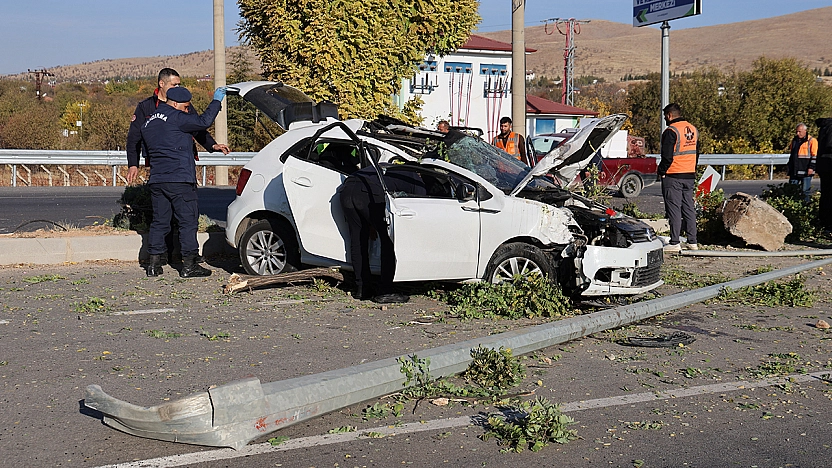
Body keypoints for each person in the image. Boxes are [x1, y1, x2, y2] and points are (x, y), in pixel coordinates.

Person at [126, 68, 230, 264]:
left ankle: (155, 262)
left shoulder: (153, 120)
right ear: (162, 85)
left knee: (160, 220)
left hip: (158, 177)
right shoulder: (149, 108)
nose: (178, 87)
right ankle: (189, 263)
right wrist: (216, 101)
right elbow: (202, 122)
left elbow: (197, 130)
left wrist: (212, 146)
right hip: (179, 175)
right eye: (174, 84)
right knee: (187, 220)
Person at [339, 164, 426, 303]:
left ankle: (362, 289)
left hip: (347, 190)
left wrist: (373, 223)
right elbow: (420, 206)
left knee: (358, 240)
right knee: (389, 240)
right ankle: (385, 290)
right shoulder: (415, 178)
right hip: (368, 191)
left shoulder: (390, 168)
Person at [658, 103, 699, 253]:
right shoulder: (693, 129)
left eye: (665, 117)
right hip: (689, 174)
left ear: (669, 115)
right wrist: (691, 169)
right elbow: (696, 153)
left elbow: (667, 156)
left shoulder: (671, 131)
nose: (665, 119)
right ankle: (692, 241)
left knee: (674, 209)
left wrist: (661, 171)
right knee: (688, 207)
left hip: (673, 175)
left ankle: (675, 242)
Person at [786, 123, 818, 201]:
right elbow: (792, 155)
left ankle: (805, 208)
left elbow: (815, 156)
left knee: (805, 192)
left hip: (806, 171)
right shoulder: (794, 140)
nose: (797, 133)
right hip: (795, 171)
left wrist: (811, 168)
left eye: (799, 131)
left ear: (805, 131)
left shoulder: (812, 141)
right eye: (797, 131)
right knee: (792, 192)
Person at [815, 117, 832, 233]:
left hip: (823, 166)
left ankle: (824, 223)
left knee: (826, 195)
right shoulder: (830, 128)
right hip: (829, 165)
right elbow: (829, 146)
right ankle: (828, 225)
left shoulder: (825, 127)